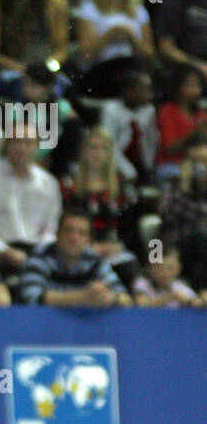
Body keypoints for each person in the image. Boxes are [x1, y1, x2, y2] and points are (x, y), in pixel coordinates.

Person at [0, 121, 64, 276]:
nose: (21, 147)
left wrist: (37, 253)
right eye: (15, 141)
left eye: (27, 142)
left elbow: (51, 228)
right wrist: (5, 251)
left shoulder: (49, 183)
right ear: (6, 144)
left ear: (36, 146)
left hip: (36, 250)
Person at [60, 126, 140, 285]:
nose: (97, 153)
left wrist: (117, 246)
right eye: (93, 147)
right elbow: (63, 223)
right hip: (78, 249)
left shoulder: (123, 189)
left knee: (131, 273)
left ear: (110, 153)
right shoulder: (69, 186)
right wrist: (88, 246)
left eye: (103, 148)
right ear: (83, 151)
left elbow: (131, 228)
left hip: (114, 251)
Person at [19, 209, 133, 306]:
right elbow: (30, 297)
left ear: (88, 240)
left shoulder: (94, 261)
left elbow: (125, 299)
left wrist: (110, 298)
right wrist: (82, 298)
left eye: (81, 233)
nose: (74, 238)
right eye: (68, 231)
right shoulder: (39, 258)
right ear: (57, 234)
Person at [75, 0, 156, 72]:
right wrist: (108, 36)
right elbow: (86, 54)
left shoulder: (139, 11)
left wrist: (132, 37)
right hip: (100, 69)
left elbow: (150, 55)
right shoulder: (89, 10)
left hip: (132, 69)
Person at [157, 131, 207, 291]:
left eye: (205, 161)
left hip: (199, 256)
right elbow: (166, 213)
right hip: (172, 249)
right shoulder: (172, 184)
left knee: (200, 270)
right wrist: (185, 187)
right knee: (201, 236)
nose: (201, 167)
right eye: (195, 161)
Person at [99, 67, 160, 183]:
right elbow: (109, 144)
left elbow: (151, 142)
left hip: (142, 163)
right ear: (129, 91)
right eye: (144, 89)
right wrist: (128, 172)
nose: (149, 93)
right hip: (116, 163)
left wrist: (149, 168)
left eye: (150, 88)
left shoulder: (149, 110)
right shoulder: (111, 109)